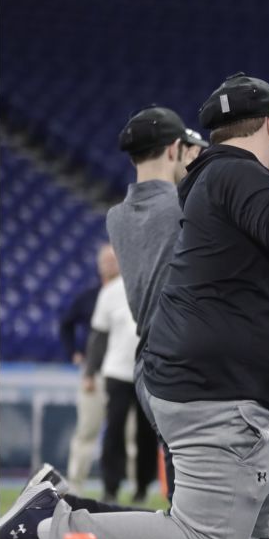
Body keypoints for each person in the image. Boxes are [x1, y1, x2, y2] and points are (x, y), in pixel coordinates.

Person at [1, 74, 269, 539]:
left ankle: (261, 538)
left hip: (206, 373)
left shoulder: (225, 178)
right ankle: (47, 525)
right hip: (211, 387)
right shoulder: (234, 174)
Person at [104, 106, 209, 502]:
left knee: (180, 485)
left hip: (147, 365)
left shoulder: (116, 217)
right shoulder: (187, 205)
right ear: (173, 149)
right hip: (186, 365)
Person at [83, 247, 158, 504]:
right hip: (116, 371)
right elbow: (99, 334)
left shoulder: (154, 284)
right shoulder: (110, 292)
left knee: (146, 435)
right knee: (113, 432)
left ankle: (142, 488)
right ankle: (110, 488)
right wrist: (90, 371)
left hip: (147, 372)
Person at [63, 244, 119, 492]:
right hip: (94, 374)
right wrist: (74, 354)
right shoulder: (88, 297)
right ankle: (75, 484)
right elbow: (65, 324)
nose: (109, 265)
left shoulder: (129, 294)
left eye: (113, 260)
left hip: (123, 373)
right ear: (98, 265)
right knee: (86, 430)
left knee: (127, 435)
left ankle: (123, 487)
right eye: (105, 261)